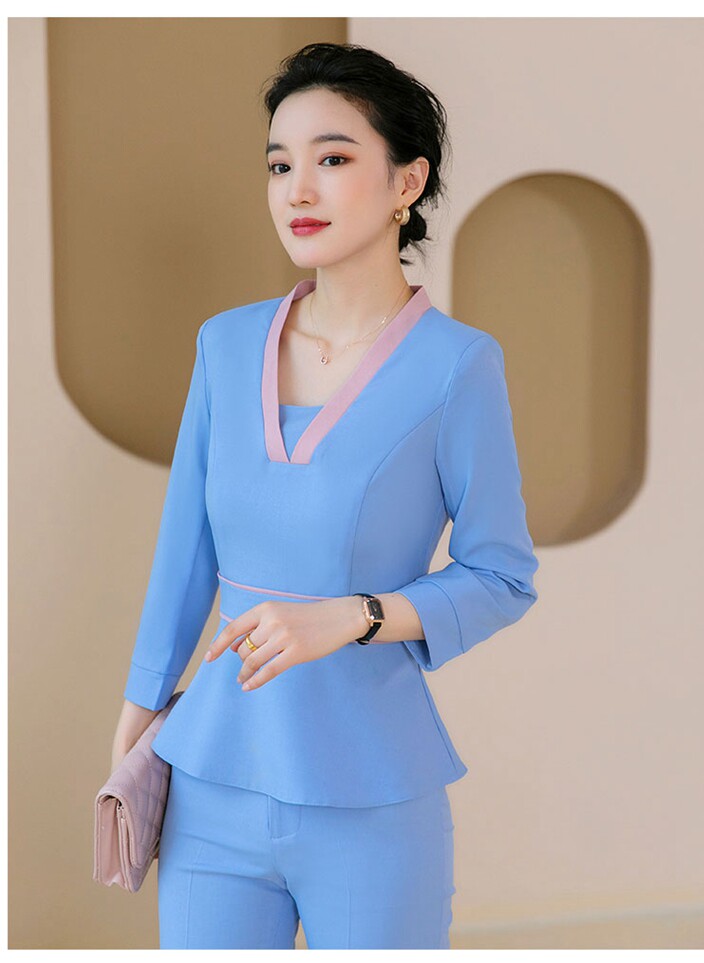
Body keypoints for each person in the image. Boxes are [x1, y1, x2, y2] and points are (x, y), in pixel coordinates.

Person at [110, 41, 539, 950]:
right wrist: (138, 722)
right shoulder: (225, 346)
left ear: (406, 182)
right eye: (279, 165)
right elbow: (184, 551)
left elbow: (502, 575)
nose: (297, 190)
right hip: (212, 780)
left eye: (333, 158)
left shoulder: (458, 366)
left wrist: (355, 615)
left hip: (372, 796)